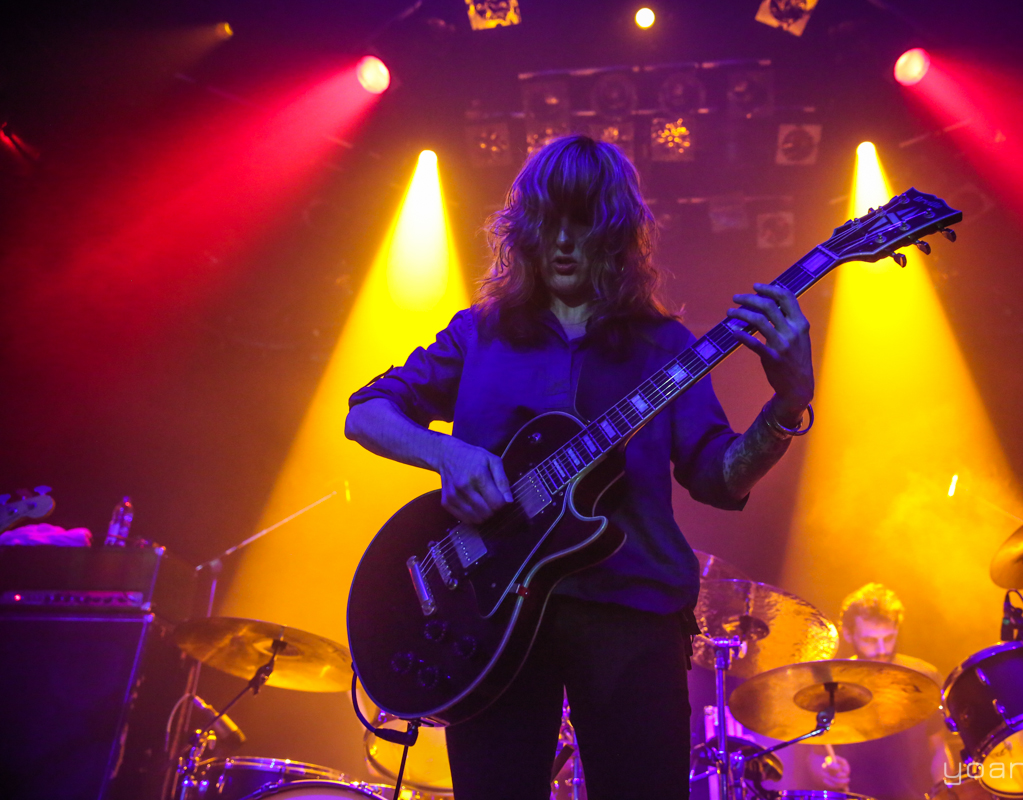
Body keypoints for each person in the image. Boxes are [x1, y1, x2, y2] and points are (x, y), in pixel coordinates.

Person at [343, 134, 815, 800]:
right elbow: (366, 413)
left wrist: (787, 405)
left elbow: (718, 475)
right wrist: (448, 452)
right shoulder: (479, 334)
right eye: (549, 221)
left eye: (583, 221)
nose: (563, 241)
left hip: (632, 614)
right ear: (525, 230)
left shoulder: (665, 348)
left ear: (616, 234)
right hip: (486, 618)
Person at [805, 583, 950, 800]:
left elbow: (938, 748)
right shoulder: (831, 685)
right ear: (848, 634)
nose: (882, 650)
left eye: (888, 638)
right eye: (870, 640)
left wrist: (945, 792)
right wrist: (825, 769)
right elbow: (815, 756)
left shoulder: (924, 678)